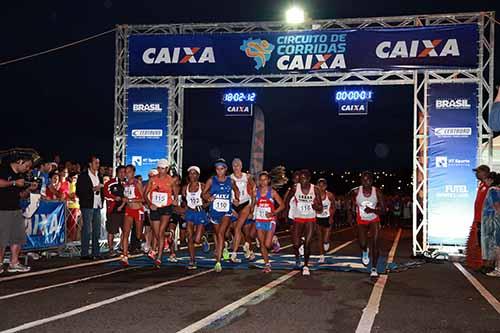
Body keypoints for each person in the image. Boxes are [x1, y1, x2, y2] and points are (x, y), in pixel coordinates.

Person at [0, 156, 37, 274]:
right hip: (2, 208)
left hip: (16, 208)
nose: (27, 169)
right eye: (26, 166)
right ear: (20, 161)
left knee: (17, 237)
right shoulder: (4, 169)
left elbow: (21, 195)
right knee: (2, 239)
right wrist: (14, 182)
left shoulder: (21, 176)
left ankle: (14, 262)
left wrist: (29, 189)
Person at [202, 158, 240, 273]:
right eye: (217, 169)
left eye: (222, 169)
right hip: (214, 211)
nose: (219, 171)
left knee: (220, 234)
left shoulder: (230, 181)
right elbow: (203, 194)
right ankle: (223, 248)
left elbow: (236, 190)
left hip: (226, 211)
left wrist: (236, 199)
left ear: (226, 169)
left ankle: (218, 262)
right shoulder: (211, 180)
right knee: (218, 234)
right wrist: (208, 197)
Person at [349, 171, 385, 278]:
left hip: (374, 219)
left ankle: (374, 268)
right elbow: (348, 201)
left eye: (368, 180)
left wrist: (373, 210)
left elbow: (383, 210)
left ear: (372, 181)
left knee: (375, 242)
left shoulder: (377, 192)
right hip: (361, 220)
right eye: (364, 180)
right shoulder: (355, 191)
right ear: (361, 181)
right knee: (363, 243)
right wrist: (350, 214)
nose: (366, 182)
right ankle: (365, 251)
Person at [145, 159, 178, 268]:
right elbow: (146, 194)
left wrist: (175, 199)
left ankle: (159, 257)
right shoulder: (153, 180)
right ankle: (168, 236)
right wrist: (150, 204)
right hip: (155, 208)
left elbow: (175, 190)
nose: (161, 170)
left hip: (166, 208)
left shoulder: (171, 180)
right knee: (157, 232)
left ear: (167, 169)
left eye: (163, 168)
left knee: (160, 231)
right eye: (159, 168)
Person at [288, 169, 322, 276]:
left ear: (309, 179)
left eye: (304, 178)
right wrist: (287, 214)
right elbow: (287, 200)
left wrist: (316, 206)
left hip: (310, 219)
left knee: (308, 242)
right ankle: (297, 256)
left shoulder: (315, 189)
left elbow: (320, 207)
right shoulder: (295, 188)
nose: (302, 181)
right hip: (298, 218)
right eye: (300, 178)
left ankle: (306, 265)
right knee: (296, 243)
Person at [253, 171, 285, 273]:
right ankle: (267, 264)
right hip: (259, 220)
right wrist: (251, 212)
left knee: (267, 244)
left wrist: (273, 213)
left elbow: (282, 205)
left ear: (268, 180)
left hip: (270, 220)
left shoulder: (272, 192)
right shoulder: (256, 192)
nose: (263, 182)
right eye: (261, 180)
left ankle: (274, 240)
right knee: (262, 244)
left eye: (265, 179)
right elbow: (254, 204)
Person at [76, 156, 104, 260]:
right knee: (87, 229)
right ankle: (84, 253)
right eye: (96, 163)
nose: (98, 165)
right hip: (87, 205)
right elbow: (78, 191)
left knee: (97, 230)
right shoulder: (83, 176)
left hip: (97, 205)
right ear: (90, 164)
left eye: (98, 163)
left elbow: (102, 191)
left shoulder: (99, 176)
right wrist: (93, 189)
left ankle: (96, 252)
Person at [229, 158, 255, 263]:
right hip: (234, 205)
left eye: (238, 165)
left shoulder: (247, 177)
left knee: (239, 229)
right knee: (237, 229)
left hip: (245, 205)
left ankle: (234, 255)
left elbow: (254, 191)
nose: (236, 167)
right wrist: (231, 207)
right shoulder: (229, 178)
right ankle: (248, 249)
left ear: (241, 166)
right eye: (234, 165)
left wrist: (252, 208)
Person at [183, 166, 209, 270]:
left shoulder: (202, 186)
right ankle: (192, 260)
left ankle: (203, 238)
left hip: (200, 213)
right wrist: (184, 210)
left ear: (198, 175)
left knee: (196, 240)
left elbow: (209, 201)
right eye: (190, 173)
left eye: (194, 173)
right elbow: (185, 201)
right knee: (189, 237)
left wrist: (203, 206)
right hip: (190, 213)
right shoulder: (185, 188)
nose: (192, 175)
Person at [466, 165, 491, 270]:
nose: (476, 174)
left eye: (478, 172)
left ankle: (486, 265)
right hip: (478, 219)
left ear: (484, 173)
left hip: (485, 220)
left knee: (484, 243)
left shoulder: (490, 186)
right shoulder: (481, 185)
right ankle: (479, 263)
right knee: (479, 243)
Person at [120, 165, 145, 266]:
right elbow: (125, 198)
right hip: (129, 210)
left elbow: (144, 199)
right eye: (126, 172)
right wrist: (122, 205)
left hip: (138, 210)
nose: (127, 174)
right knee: (126, 233)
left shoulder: (137, 183)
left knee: (138, 235)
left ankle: (147, 243)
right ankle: (125, 256)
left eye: (129, 171)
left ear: (133, 173)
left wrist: (131, 200)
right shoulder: (125, 184)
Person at [103, 165, 126, 257]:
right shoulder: (110, 183)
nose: (122, 174)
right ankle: (111, 249)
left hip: (125, 211)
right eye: (121, 172)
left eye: (124, 172)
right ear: (117, 173)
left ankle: (122, 247)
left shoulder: (127, 184)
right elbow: (105, 194)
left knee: (125, 230)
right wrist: (114, 198)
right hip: (113, 210)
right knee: (112, 230)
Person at [316, 178, 336, 263]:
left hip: (327, 217)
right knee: (319, 238)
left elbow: (333, 206)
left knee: (325, 239)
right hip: (317, 218)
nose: (321, 187)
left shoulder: (330, 195)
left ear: (326, 186)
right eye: (319, 186)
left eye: (323, 186)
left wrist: (331, 217)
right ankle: (321, 256)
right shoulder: (314, 195)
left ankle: (326, 242)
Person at [67, 172, 80, 242]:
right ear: (70, 178)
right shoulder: (71, 185)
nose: (76, 179)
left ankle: (73, 238)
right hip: (72, 207)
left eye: (77, 178)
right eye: (74, 178)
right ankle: (72, 239)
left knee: (74, 224)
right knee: (72, 224)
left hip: (76, 206)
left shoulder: (76, 185)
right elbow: (72, 196)